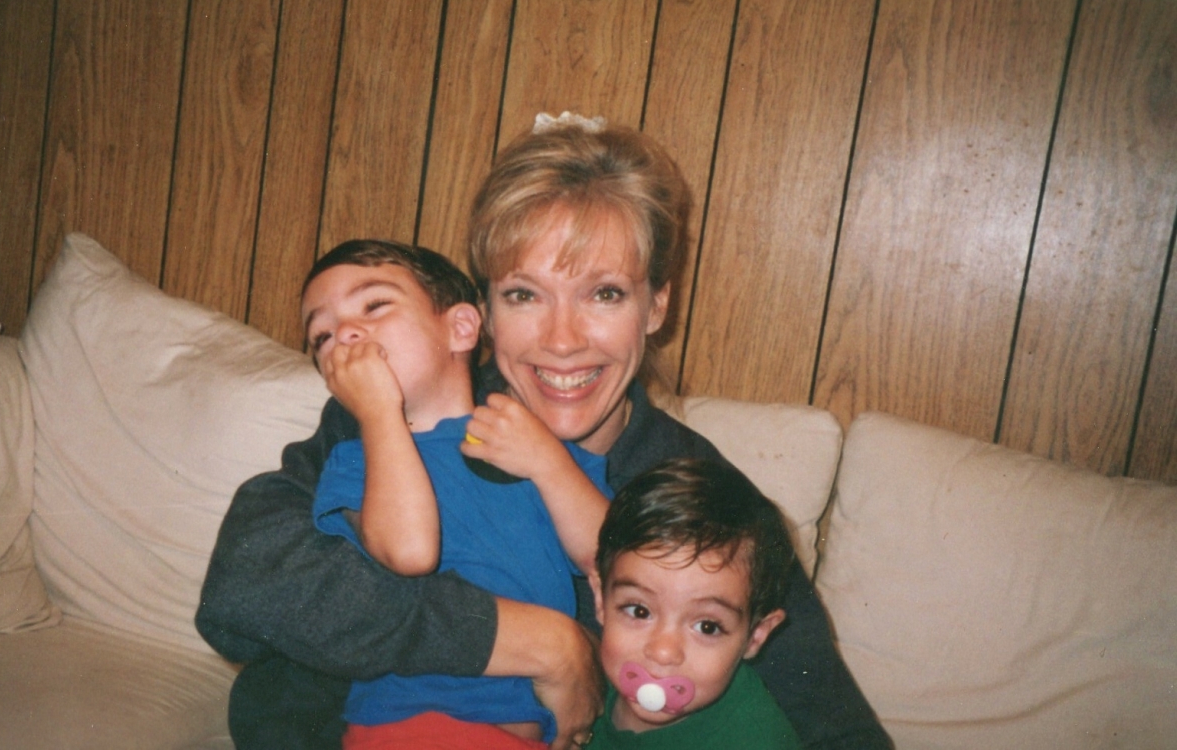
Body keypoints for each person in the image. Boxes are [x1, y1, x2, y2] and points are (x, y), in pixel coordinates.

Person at [196, 115, 891, 750]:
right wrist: (534, 640)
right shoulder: (401, 415)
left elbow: (831, 722)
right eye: (524, 294)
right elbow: (242, 585)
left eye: (605, 293)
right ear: (481, 312)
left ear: (656, 306)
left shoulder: (702, 501)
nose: (561, 341)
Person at [302, 239, 611, 748]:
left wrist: (549, 463)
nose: (346, 334)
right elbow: (410, 552)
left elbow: (611, 559)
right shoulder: (356, 462)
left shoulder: (535, 444)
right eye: (322, 336)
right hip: (413, 725)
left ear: (461, 328)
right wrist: (378, 411)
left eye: (374, 305)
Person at [585, 457, 799, 749]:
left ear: (755, 636)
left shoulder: (758, 740)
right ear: (601, 599)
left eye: (707, 627)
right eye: (639, 611)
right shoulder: (579, 678)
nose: (663, 652)